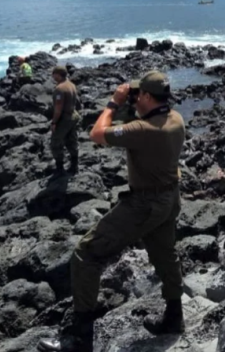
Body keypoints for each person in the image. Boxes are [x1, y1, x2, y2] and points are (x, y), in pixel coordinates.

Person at [38, 71, 186, 352]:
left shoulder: (143, 129)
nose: (133, 96)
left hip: (143, 204)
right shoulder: (175, 119)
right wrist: (133, 105)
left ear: (145, 96)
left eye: (137, 93)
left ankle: (80, 338)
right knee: (166, 254)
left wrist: (113, 102)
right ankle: (174, 317)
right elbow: (139, 122)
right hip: (169, 198)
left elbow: (97, 133)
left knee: (85, 254)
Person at [50, 66, 80, 177]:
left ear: (58, 74)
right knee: (72, 141)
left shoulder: (60, 89)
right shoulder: (71, 85)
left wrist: (54, 122)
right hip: (73, 115)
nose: (52, 76)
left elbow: (58, 108)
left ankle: (59, 169)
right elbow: (78, 102)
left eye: (53, 74)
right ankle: (74, 166)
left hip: (64, 119)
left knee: (56, 143)